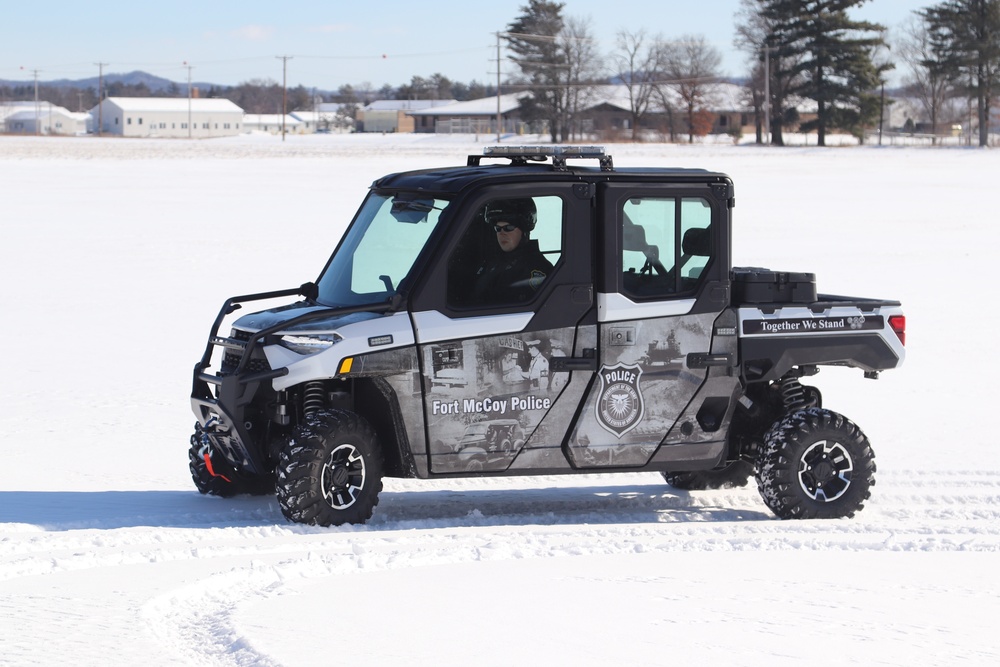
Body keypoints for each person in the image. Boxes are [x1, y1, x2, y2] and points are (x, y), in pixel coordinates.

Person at [472, 198, 554, 304]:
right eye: (498, 228)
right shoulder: (494, 262)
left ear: (524, 230)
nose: (502, 233)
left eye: (508, 227)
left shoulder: (537, 269)